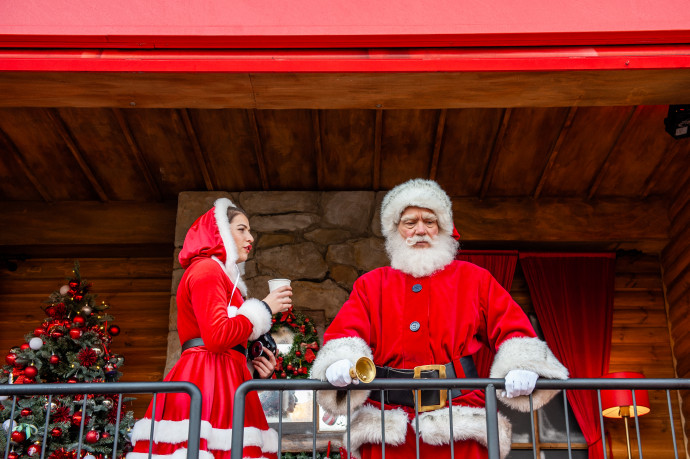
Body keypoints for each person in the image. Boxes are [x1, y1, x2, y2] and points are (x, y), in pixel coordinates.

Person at [310, 179, 569, 459]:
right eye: (410, 222)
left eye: (429, 221)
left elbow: (511, 326)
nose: (420, 230)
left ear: (442, 227)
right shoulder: (371, 285)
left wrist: (522, 364)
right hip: (387, 423)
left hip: (460, 421)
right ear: (395, 229)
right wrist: (340, 361)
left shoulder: (475, 279)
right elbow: (346, 333)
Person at [127, 198, 292, 459]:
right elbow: (216, 337)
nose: (251, 238)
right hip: (206, 379)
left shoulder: (226, 281)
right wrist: (265, 308)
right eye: (242, 229)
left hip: (222, 378)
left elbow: (228, 341)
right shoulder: (206, 269)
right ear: (220, 232)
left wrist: (253, 369)